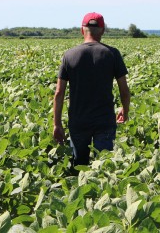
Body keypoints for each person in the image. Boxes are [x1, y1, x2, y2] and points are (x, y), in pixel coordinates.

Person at [53, 12, 131, 168]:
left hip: (78, 121)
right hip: (104, 121)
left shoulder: (69, 55)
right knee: (104, 167)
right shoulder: (112, 54)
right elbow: (124, 89)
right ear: (102, 31)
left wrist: (57, 124)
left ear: (82, 30)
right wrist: (125, 110)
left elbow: (59, 93)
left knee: (79, 166)